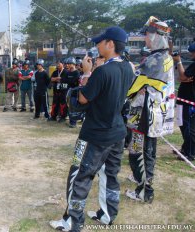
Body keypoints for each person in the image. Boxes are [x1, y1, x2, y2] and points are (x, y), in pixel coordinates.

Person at [49, 26, 134, 232]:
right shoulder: (128, 68)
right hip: (117, 132)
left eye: (100, 42)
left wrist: (87, 73)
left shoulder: (102, 71)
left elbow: (82, 98)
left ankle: (72, 221)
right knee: (110, 175)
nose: (97, 46)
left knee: (79, 176)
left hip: (95, 134)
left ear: (110, 44)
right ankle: (107, 214)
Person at [125, 16, 174, 203]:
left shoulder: (156, 59)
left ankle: (145, 190)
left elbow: (134, 85)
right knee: (139, 149)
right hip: (149, 113)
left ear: (155, 36)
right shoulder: (163, 57)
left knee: (142, 151)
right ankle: (140, 179)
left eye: (147, 35)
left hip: (146, 114)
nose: (145, 39)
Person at [173, 43, 195, 161]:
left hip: (188, 101)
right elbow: (183, 78)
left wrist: (179, 61)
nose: (191, 54)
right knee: (186, 125)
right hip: (189, 100)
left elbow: (182, 77)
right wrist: (185, 77)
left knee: (187, 126)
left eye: (192, 52)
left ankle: (189, 152)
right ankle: (186, 148)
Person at [66, 57, 81, 128]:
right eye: (68, 64)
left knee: (74, 107)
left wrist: (70, 81)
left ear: (73, 64)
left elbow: (74, 82)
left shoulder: (77, 72)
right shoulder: (68, 72)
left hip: (75, 92)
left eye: (69, 64)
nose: (68, 65)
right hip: (69, 91)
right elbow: (66, 80)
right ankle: (71, 121)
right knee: (69, 107)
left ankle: (73, 122)